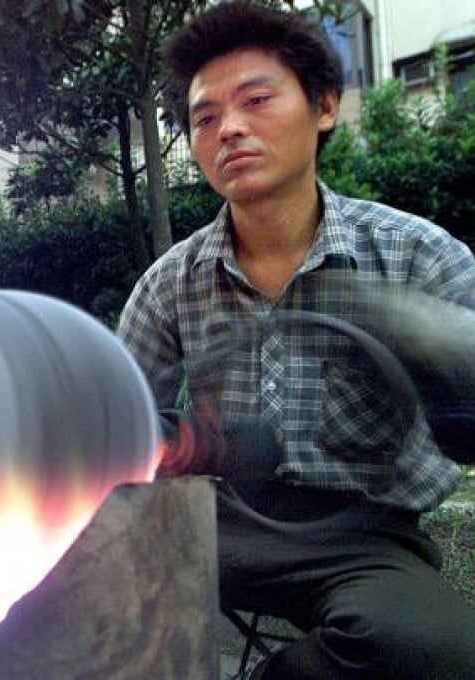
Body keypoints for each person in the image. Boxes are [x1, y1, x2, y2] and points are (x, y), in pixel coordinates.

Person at [116, 2, 475, 678]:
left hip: (364, 535)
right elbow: (119, 429)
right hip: (215, 519)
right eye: (205, 117)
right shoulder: (170, 284)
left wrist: (417, 334)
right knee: (45, 576)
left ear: (325, 107)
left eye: (257, 99)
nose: (231, 129)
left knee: (432, 651)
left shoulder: (417, 255)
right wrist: (179, 439)